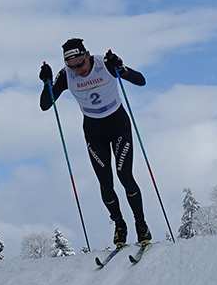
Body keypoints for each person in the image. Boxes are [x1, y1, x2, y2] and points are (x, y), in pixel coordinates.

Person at [39, 38, 150, 248]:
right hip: (93, 130)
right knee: (105, 184)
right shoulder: (66, 75)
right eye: (72, 66)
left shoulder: (105, 63)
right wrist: (47, 83)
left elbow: (141, 80)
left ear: (87, 55)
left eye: (80, 63)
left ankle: (141, 225)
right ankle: (119, 225)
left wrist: (121, 68)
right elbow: (46, 105)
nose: (78, 70)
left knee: (124, 175)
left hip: (118, 124)